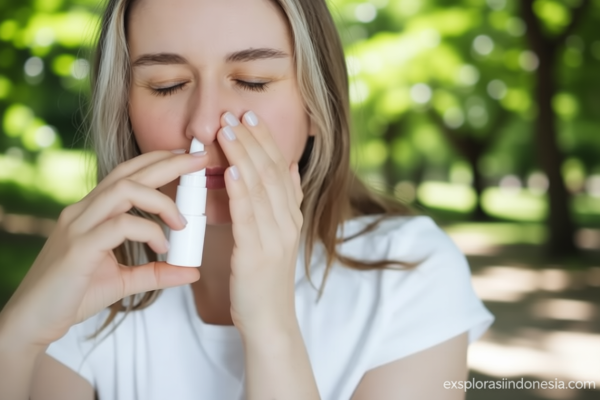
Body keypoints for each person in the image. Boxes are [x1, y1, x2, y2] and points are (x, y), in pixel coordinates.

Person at [0, 0, 494, 399]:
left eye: (252, 81)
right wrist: (17, 336)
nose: (203, 124)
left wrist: (270, 327)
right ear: (124, 108)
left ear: (318, 105)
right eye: (168, 86)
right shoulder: (92, 279)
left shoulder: (410, 273)